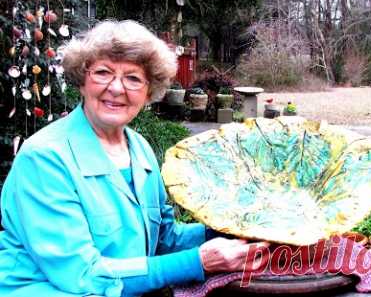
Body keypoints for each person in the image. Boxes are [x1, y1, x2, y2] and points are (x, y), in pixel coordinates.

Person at [0, 20, 269, 297]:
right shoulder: (45, 159)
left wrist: (234, 230)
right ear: (82, 81)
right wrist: (198, 262)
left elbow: (164, 239)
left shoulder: (139, 149)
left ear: (148, 92)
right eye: (103, 73)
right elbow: (83, 275)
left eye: (133, 78)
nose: (116, 88)